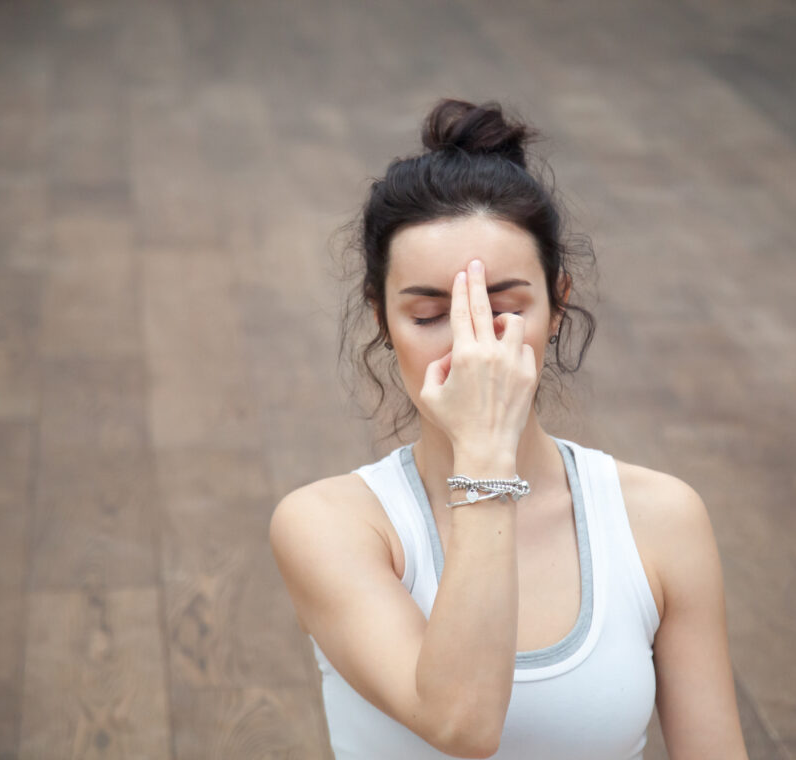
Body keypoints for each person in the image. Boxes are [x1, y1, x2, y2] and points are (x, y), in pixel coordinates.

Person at [270, 98, 749, 760]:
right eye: (430, 313)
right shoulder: (329, 524)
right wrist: (487, 455)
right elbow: (462, 724)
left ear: (558, 306)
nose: (471, 345)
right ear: (382, 319)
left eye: (503, 308)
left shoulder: (662, 518)